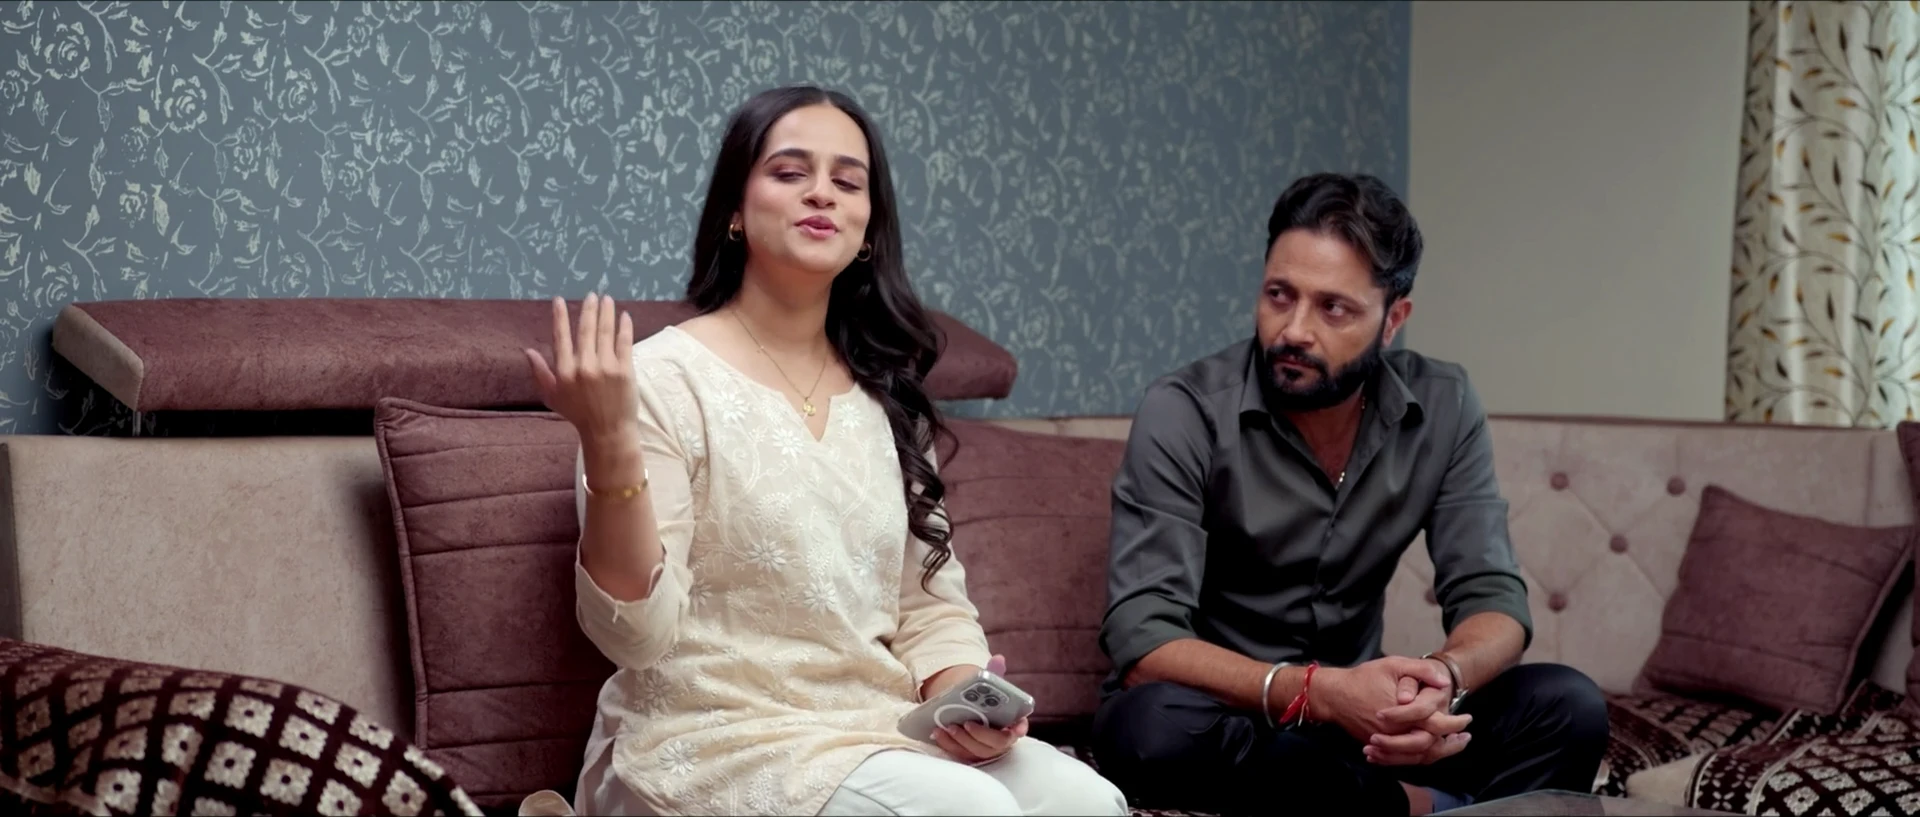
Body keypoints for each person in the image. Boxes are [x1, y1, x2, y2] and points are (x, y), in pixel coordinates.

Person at [517, 85, 1128, 817]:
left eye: (848, 181)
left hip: (875, 727)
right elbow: (637, 638)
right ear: (735, 210)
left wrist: (961, 697)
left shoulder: (887, 395)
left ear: (867, 229)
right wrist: (608, 440)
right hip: (709, 738)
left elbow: (929, 604)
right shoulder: (658, 380)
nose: (822, 194)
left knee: (1088, 800)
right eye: (789, 172)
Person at [1088, 173, 1609, 815]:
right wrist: (1320, 693)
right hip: (1239, 718)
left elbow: (1493, 598)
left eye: (1333, 308)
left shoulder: (1443, 405)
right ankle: (1416, 807)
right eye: (1279, 295)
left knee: (1567, 706)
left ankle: (1369, 799)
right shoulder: (1186, 410)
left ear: (1393, 320)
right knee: (1148, 727)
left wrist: (1439, 679)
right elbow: (1143, 640)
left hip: (1366, 730)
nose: (1294, 330)